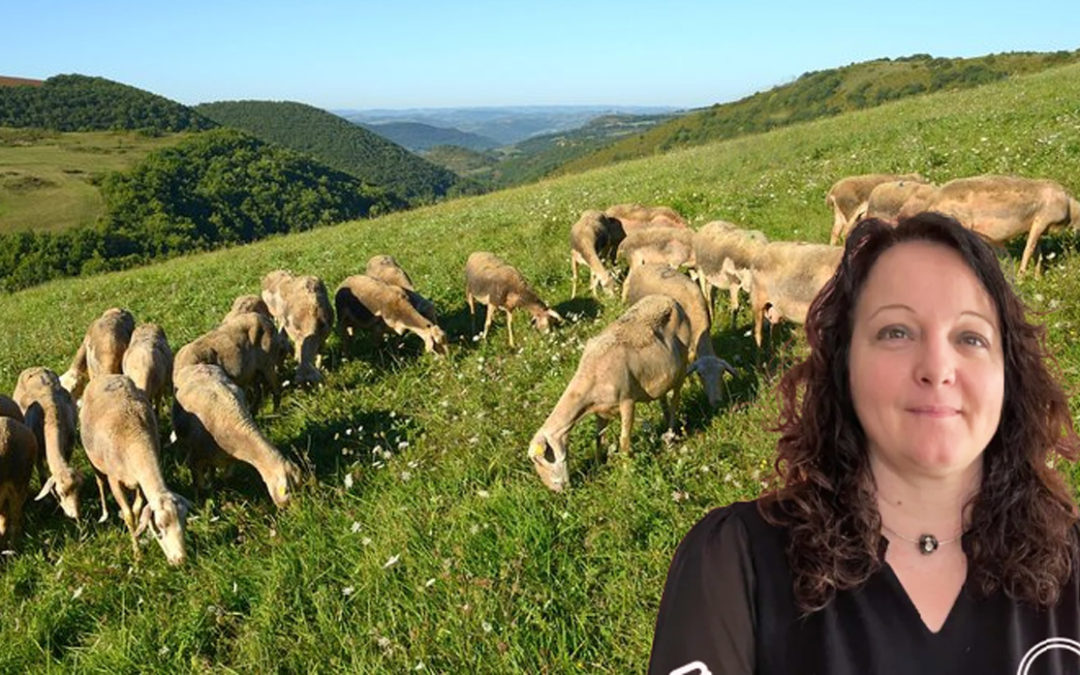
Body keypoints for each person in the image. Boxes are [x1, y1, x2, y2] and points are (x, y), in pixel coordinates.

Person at [649, 212, 1080, 675]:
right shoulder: (738, 568)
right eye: (896, 332)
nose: (937, 368)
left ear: (1008, 375)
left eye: (971, 337)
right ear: (842, 367)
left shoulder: (1071, 564)